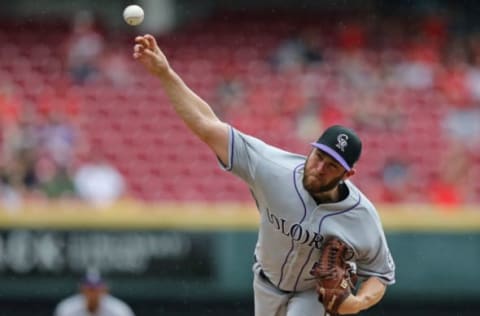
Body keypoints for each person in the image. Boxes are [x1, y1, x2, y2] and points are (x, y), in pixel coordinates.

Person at [132, 34, 396, 316]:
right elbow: (208, 125)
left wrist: (357, 303)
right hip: (266, 284)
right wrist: (165, 73)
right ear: (311, 150)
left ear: (348, 173)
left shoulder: (361, 216)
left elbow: (380, 274)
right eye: (319, 156)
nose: (319, 167)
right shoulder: (274, 168)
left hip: (311, 295)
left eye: (332, 165)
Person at [54, 268, 135, 316]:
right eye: (90, 288)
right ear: (82, 289)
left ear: (104, 290)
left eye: (96, 288)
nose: (93, 292)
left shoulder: (119, 310)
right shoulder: (68, 309)